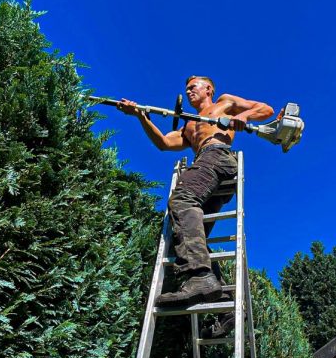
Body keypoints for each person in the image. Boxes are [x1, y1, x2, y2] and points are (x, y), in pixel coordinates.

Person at [117, 76, 273, 308]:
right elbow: (164, 143)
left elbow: (266, 109)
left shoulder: (224, 103)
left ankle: (199, 277)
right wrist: (141, 116)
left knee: (181, 199)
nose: (188, 91)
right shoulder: (188, 124)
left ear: (208, 89)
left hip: (217, 156)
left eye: (193, 87)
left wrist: (243, 116)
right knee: (192, 234)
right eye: (186, 89)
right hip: (205, 164)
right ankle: (222, 303)